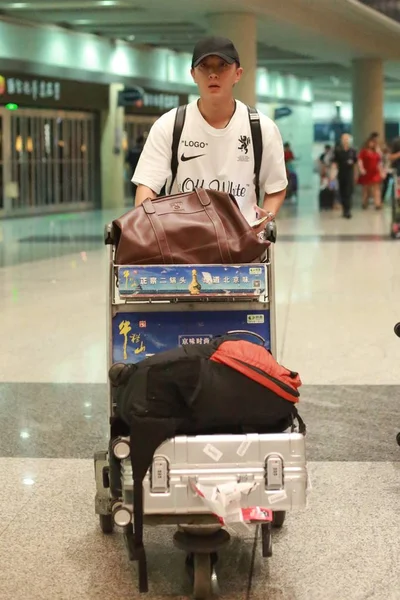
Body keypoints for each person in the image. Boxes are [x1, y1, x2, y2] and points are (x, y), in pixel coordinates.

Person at [132, 36, 288, 231]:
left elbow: (276, 187)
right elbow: (147, 186)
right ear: (193, 74)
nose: (213, 74)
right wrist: (149, 227)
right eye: (204, 66)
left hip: (242, 243)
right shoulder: (170, 125)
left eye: (222, 66)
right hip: (182, 241)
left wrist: (264, 222)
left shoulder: (261, 127)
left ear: (238, 74)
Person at [331, 133, 357, 219]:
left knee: (348, 192)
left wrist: (357, 174)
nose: (345, 141)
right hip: (341, 173)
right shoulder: (338, 150)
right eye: (344, 139)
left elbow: (356, 162)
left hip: (350, 173)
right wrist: (332, 174)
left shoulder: (353, 151)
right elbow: (334, 163)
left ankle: (348, 210)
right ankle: (344, 209)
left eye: (347, 139)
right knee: (342, 192)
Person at [358, 134, 383, 210]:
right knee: (366, 188)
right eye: (371, 142)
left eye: (374, 142)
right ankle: (364, 202)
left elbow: (380, 161)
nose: (372, 144)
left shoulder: (376, 152)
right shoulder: (363, 151)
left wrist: (381, 171)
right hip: (366, 172)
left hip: (375, 171)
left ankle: (377, 204)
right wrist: (361, 169)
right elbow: (360, 160)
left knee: (376, 188)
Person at [125, 134, 146, 200]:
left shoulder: (132, 150)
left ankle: (135, 201)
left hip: (134, 172)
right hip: (143, 173)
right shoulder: (144, 150)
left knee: (134, 189)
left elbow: (127, 161)